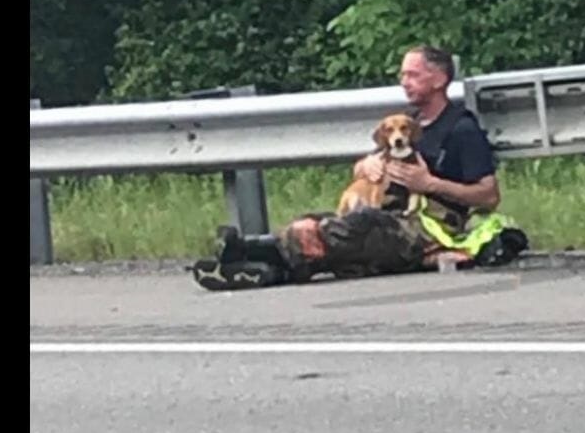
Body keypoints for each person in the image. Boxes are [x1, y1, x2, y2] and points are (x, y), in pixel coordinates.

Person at [191, 45, 527, 291]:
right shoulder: (406, 124)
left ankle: (251, 252)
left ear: (439, 79)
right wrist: (365, 164)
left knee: (352, 227)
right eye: (402, 75)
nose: (404, 81)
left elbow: (489, 195)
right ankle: (263, 269)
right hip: (386, 217)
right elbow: (367, 172)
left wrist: (430, 184)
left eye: (413, 74)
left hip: (425, 230)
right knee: (316, 221)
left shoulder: (461, 128)